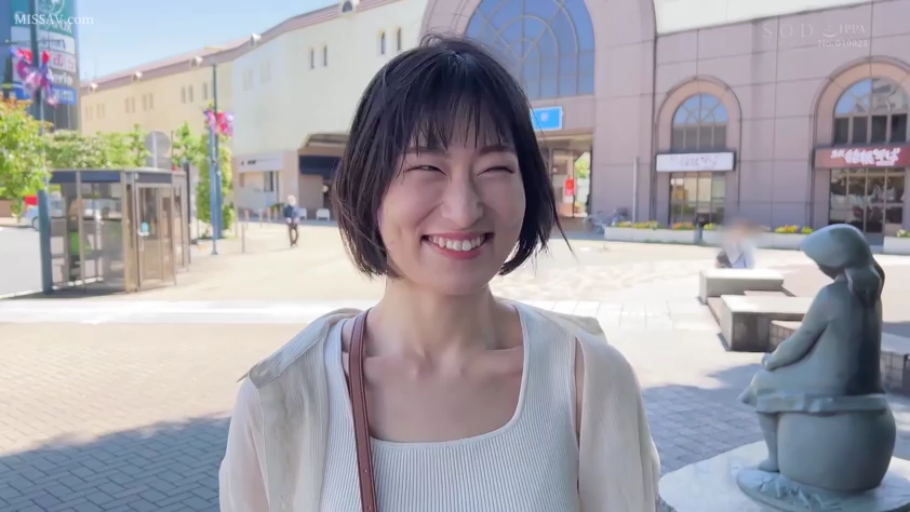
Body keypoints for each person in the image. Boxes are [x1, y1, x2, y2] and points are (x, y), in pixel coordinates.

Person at [219, 36, 659, 512]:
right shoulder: (284, 398)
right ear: (369, 187)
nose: (463, 209)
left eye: (495, 168)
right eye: (427, 166)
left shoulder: (590, 381)